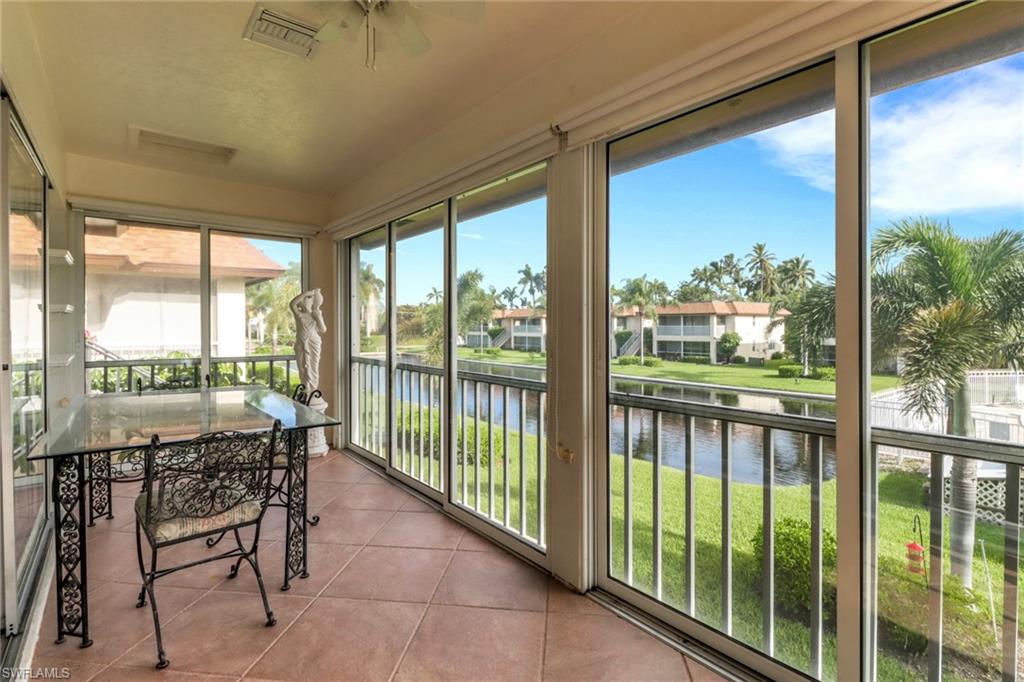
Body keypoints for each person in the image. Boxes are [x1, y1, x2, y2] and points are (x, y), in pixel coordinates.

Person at [289, 289, 327, 390]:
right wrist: (306, 294)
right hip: (301, 343)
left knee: (313, 366)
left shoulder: (316, 313)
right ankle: (306, 388)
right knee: (302, 367)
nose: (304, 302)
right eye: (303, 300)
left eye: (308, 299)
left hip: (313, 342)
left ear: (312, 303)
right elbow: (292, 304)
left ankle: (313, 389)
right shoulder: (299, 314)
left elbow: (323, 329)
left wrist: (318, 317)